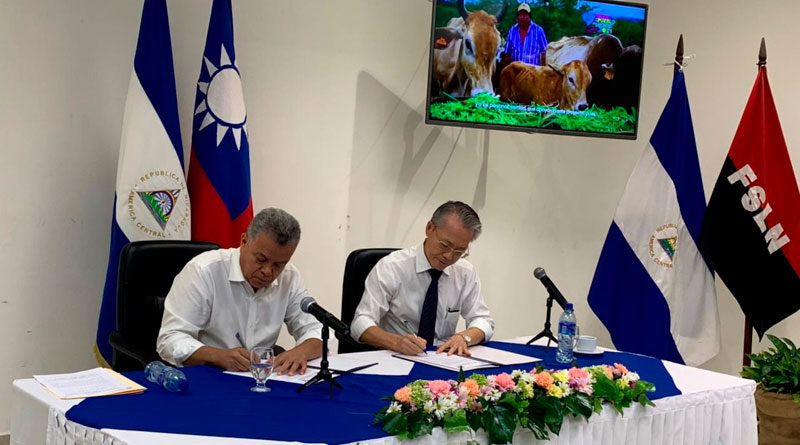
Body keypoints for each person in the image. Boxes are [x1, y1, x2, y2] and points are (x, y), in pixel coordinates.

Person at [157, 208, 322, 375]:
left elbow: (317, 330)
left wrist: (301, 351)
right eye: (261, 259)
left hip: (261, 378)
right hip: (207, 375)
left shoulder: (289, 277)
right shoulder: (204, 271)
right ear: (244, 241)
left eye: (279, 264)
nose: (268, 271)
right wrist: (217, 356)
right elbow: (169, 339)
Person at [350, 201, 494, 356]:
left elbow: (483, 320)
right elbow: (360, 324)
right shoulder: (392, 267)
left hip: (443, 359)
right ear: (429, 228)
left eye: (459, 251)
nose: (449, 256)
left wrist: (464, 337)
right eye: (445, 245)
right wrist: (396, 342)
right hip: (397, 357)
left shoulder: (464, 272)